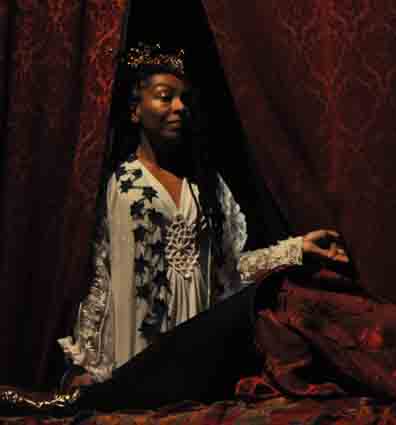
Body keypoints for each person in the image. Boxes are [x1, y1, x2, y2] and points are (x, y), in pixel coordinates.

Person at [1, 65, 396, 415]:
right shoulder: (123, 185)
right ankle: (94, 398)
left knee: (285, 299)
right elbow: (109, 276)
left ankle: (92, 405)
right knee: (286, 300)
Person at [53, 44, 349, 389]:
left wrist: (297, 249)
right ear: (135, 110)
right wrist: (90, 365)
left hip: (195, 355)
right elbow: (104, 280)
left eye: (184, 99)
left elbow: (230, 269)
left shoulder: (206, 186)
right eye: (165, 97)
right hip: (137, 362)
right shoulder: (121, 184)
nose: (179, 107)